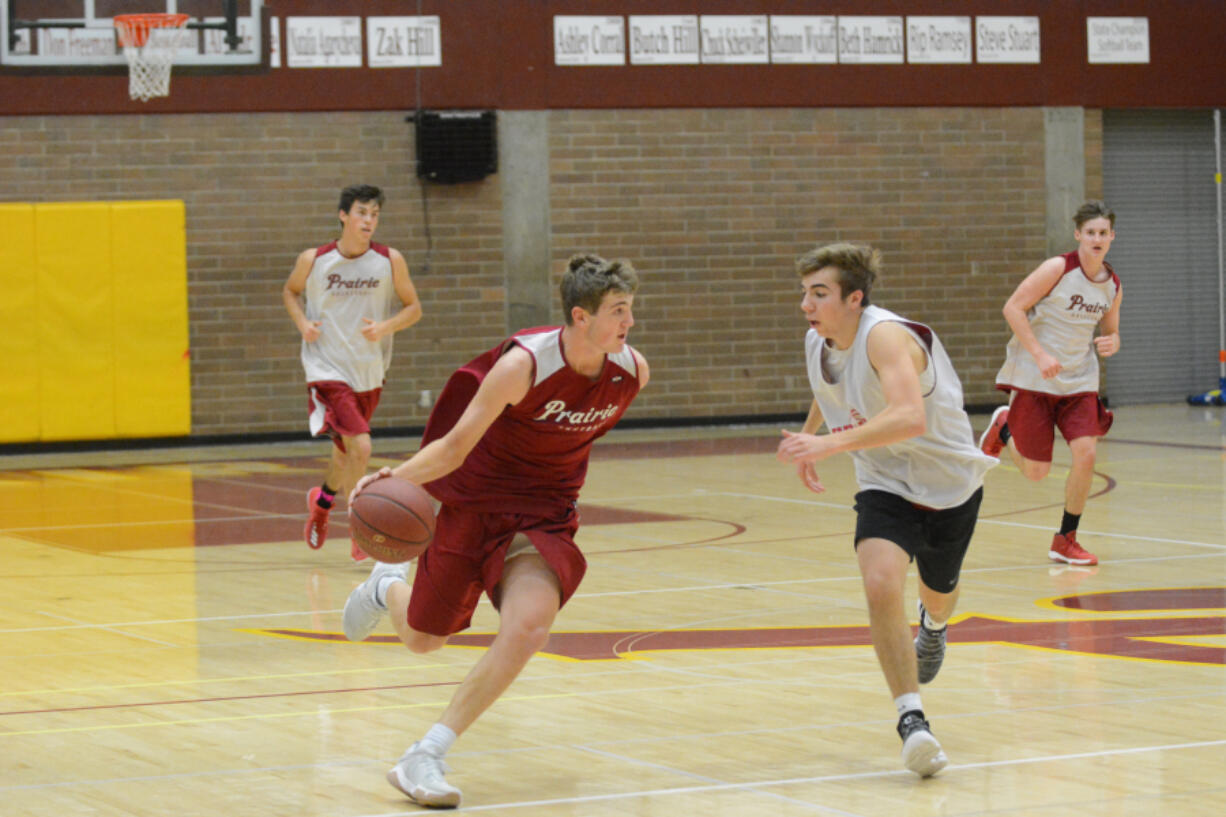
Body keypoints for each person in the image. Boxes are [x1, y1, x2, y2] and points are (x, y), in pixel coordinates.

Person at [341, 253, 647, 808]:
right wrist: (388, 482)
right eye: (618, 310)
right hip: (473, 506)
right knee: (423, 638)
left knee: (529, 626)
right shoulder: (523, 367)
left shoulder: (631, 373)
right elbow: (454, 447)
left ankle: (426, 753)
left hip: (542, 515)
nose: (629, 322)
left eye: (631, 309)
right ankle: (387, 585)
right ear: (581, 317)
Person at [776, 243, 996, 777]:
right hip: (883, 481)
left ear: (855, 298)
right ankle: (912, 721)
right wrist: (810, 437)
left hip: (948, 485)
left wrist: (829, 445)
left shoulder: (886, 335)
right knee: (879, 583)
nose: (807, 303)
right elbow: (833, 386)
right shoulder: (819, 340)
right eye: (804, 292)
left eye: (820, 293)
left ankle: (935, 628)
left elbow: (909, 417)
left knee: (938, 595)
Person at [282, 184, 423, 560]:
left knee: (346, 457)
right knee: (362, 445)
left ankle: (322, 503)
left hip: (368, 370)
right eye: (362, 212)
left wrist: (384, 328)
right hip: (326, 368)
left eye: (375, 214)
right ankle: (361, 526)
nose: (369, 221)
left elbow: (414, 308)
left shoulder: (390, 260)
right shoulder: (314, 260)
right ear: (344, 215)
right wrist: (302, 324)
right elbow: (290, 292)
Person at [979, 200, 1122, 566]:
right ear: (1078, 235)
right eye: (1090, 232)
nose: (1097, 238)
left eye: (1103, 233)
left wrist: (1113, 342)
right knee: (1036, 472)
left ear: (1111, 237)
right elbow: (1013, 307)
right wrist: (1040, 354)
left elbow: (1111, 331)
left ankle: (1065, 538)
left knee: (1086, 454)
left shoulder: (1113, 284)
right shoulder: (1058, 268)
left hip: (1079, 381)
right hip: (1036, 377)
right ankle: (1004, 426)